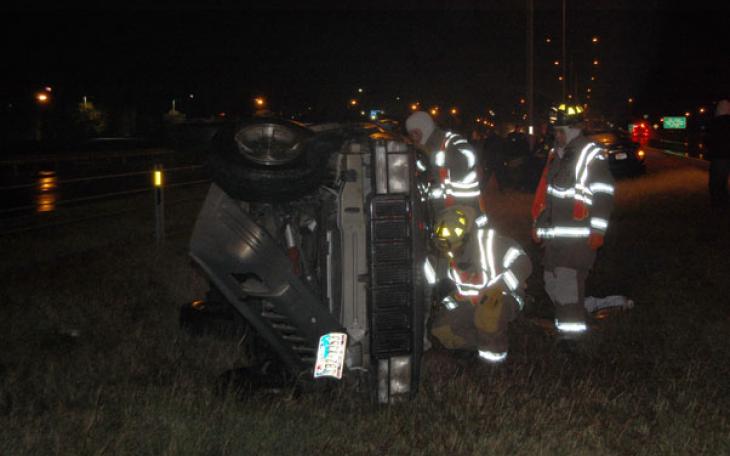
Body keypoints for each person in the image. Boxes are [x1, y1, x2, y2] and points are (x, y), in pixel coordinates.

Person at [531, 103, 615, 338]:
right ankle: (574, 313)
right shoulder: (557, 155)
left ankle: (572, 340)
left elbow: (603, 192)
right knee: (551, 282)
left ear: (572, 129)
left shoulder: (590, 153)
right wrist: (538, 225)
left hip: (578, 238)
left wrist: (598, 230)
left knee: (567, 285)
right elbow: (549, 196)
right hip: (555, 240)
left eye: (558, 130)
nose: (554, 134)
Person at [423, 206, 532, 364]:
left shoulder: (491, 244)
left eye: (453, 246)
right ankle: (472, 348)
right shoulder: (442, 253)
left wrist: (501, 285)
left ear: (466, 237)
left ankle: (494, 361)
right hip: (468, 299)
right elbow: (427, 284)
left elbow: (523, 263)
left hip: (501, 296)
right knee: (442, 328)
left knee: (488, 314)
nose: (449, 253)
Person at [406, 111, 484, 216]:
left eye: (415, 133)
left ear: (425, 129)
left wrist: (431, 154)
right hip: (442, 210)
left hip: (465, 207)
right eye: (411, 135)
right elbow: (421, 169)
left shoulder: (452, 140)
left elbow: (468, 160)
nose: (413, 138)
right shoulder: (427, 149)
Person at [706, 99, 730, 208]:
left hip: (718, 156)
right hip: (726, 155)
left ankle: (717, 203)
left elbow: (708, 140)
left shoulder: (714, 123)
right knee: (723, 181)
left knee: (716, 181)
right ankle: (724, 201)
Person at [481, 128, 507, 192]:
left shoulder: (488, 139)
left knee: (487, 175)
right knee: (499, 175)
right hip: (498, 159)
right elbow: (504, 149)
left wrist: (484, 159)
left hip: (491, 159)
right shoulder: (500, 139)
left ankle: (482, 188)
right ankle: (502, 189)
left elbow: (485, 149)